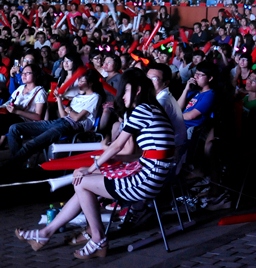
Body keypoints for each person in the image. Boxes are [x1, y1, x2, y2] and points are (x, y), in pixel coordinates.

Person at [14, 69, 175, 259]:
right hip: (153, 174)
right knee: (82, 180)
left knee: (82, 181)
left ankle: (96, 238)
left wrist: (92, 167)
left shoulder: (142, 110)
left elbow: (117, 146)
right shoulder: (152, 109)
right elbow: (139, 152)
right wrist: (100, 165)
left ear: (138, 90)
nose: (122, 96)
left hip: (146, 180)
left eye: (125, 90)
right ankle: (47, 233)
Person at [4, 69, 102, 167]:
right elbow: (63, 115)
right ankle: (15, 165)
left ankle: (10, 166)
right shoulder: (77, 97)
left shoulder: (95, 97)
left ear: (91, 83)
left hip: (71, 126)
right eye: (79, 80)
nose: (79, 83)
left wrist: (69, 110)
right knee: (14, 128)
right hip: (60, 121)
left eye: (82, 81)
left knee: (31, 144)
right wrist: (59, 99)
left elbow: (76, 118)